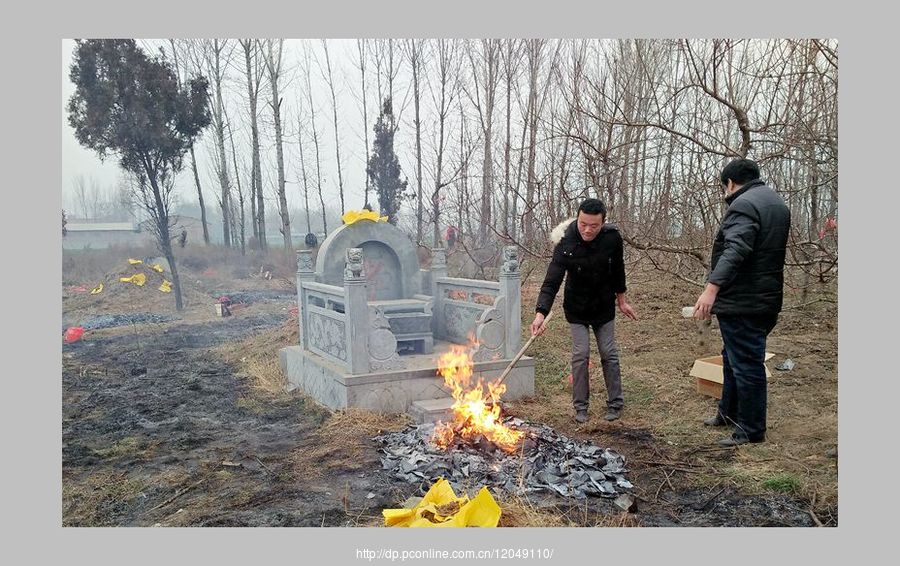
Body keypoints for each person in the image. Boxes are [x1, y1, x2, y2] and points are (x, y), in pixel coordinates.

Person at [693, 158, 791, 447]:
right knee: (732, 357)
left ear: (730, 183)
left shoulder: (743, 206)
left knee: (747, 364)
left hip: (744, 300)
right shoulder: (775, 203)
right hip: (765, 298)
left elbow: (736, 249)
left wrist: (711, 289)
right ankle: (729, 413)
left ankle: (750, 430)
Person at [532, 198, 637, 424]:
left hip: (603, 305)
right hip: (576, 308)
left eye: (594, 226)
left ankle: (615, 404)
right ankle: (580, 407)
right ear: (577, 219)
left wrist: (622, 300)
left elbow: (618, 270)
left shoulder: (612, 239)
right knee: (581, 355)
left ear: (602, 223)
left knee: (608, 353)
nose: (588, 230)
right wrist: (540, 313)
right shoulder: (565, 243)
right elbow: (552, 281)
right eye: (583, 224)